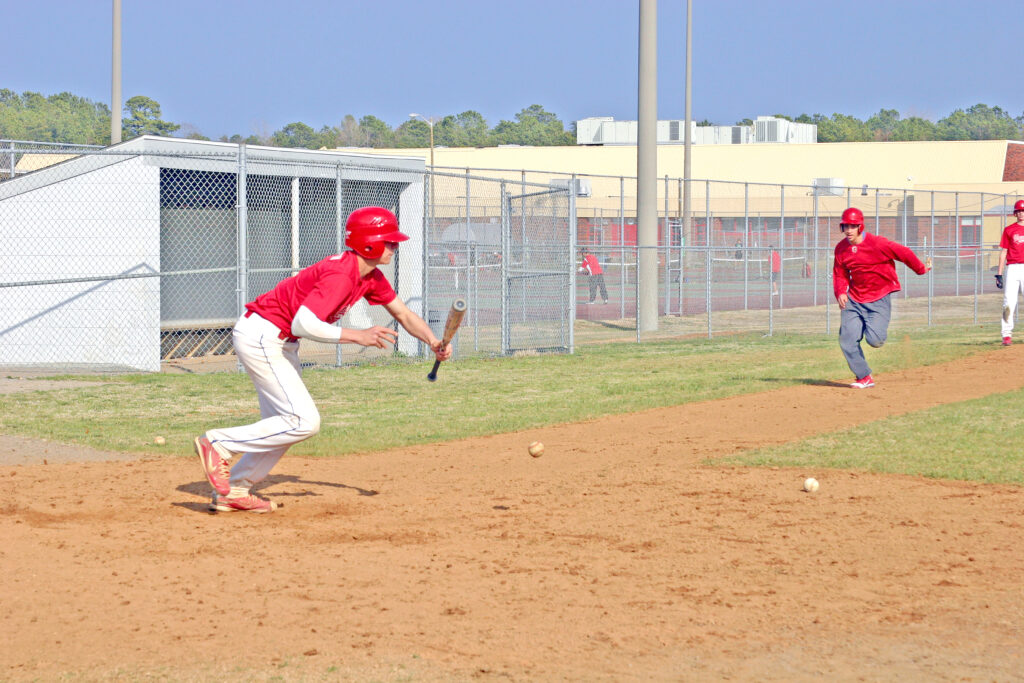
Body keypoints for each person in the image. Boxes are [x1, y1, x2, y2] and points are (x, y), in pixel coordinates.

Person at [193, 206, 452, 512]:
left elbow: (404, 313)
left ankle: (234, 490)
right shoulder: (341, 275)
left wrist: (433, 341)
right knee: (303, 421)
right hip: (263, 335)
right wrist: (357, 335)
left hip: (276, 341)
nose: (395, 247)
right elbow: (303, 323)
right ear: (369, 243)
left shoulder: (369, 276)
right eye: (389, 241)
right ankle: (219, 443)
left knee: (286, 424)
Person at [833, 207, 930, 389]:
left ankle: (865, 328)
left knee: (875, 340)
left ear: (860, 227)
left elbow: (904, 253)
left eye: (853, 226)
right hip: (854, 299)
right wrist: (840, 292)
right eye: (845, 226)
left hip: (878, 297)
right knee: (847, 339)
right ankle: (864, 377)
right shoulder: (841, 249)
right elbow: (839, 273)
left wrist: (920, 269)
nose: (848, 230)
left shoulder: (877, 243)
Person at [995, 199, 1024, 346]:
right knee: (1008, 302)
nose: (1021, 213)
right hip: (1012, 268)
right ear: (1015, 213)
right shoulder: (1009, 230)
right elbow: (1003, 252)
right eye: (1018, 211)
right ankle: (1006, 334)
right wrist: (999, 274)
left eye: (1023, 211)